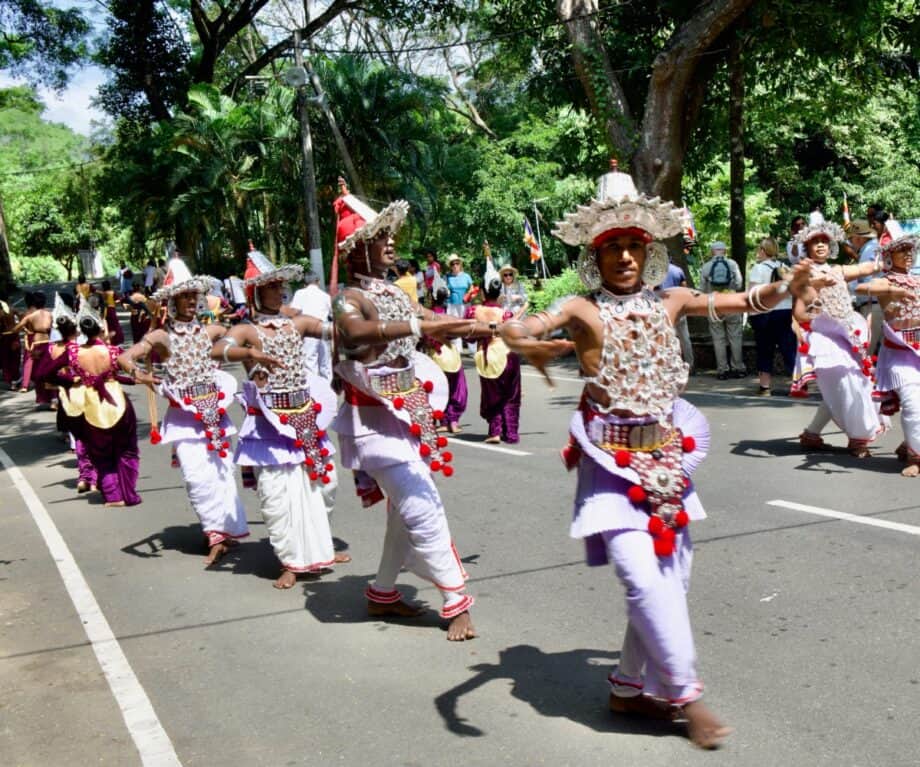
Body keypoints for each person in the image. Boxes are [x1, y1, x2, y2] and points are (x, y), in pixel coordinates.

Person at [498, 164, 812, 749]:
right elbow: (526, 324)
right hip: (610, 464)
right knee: (645, 580)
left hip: (667, 462)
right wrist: (521, 336)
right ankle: (686, 695)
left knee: (673, 577)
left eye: (633, 246)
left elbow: (742, 299)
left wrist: (783, 289)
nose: (624, 257)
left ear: (650, 250)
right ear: (596, 255)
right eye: (612, 246)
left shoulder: (671, 298)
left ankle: (625, 685)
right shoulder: (580, 307)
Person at [330, 188, 482, 640]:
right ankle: (455, 598)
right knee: (422, 504)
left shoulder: (393, 290)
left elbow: (433, 318)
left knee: (404, 510)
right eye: (381, 237)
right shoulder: (346, 299)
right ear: (357, 248)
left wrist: (488, 325)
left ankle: (381, 592)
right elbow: (357, 333)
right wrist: (421, 325)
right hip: (372, 424)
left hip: (406, 411)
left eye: (391, 236)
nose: (392, 244)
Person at [212, 246, 347, 589]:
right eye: (271, 286)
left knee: (324, 485)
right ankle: (290, 560)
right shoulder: (247, 330)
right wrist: (248, 353)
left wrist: (353, 327)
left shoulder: (297, 321)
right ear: (256, 293)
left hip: (305, 416)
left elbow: (335, 331)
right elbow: (218, 350)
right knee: (277, 497)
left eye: (280, 286)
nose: (279, 291)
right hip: (268, 426)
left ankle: (317, 547)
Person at [118, 259, 261, 564]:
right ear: (170, 301)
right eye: (183, 297)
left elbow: (244, 335)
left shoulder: (212, 330)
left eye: (193, 296)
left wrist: (255, 364)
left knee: (223, 476)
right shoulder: (161, 336)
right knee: (197, 478)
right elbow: (125, 358)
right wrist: (140, 375)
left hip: (215, 416)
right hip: (183, 420)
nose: (189, 302)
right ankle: (214, 532)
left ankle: (226, 532)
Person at [791, 216, 884, 456]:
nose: (821, 245)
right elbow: (800, 314)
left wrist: (886, 254)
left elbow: (867, 268)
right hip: (826, 339)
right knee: (847, 385)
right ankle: (858, 439)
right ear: (807, 247)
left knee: (851, 385)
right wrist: (817, 288)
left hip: (849, 335)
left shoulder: (838, 270)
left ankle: (812, 434)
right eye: (815, 242)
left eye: (824, 241)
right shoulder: (803, 275)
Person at [47, 300, 142, 506]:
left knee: (100, 452)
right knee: (126, 449)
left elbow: (43, 373)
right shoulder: (114, 351)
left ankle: (113, 495)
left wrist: (69, 382)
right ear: (100, 328)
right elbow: (125, 373)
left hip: (90, 406)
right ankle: (128, 493)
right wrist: (140, 378)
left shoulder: (72, 353)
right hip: (118, 403)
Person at [854, 222, 920, 474]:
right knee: (914, 404)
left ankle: (909, 445)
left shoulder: (917, 278)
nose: (908, 253)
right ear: (889, 255)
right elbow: (858, 287)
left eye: (910, 249)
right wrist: (892, 289)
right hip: (900, 354)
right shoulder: (885, 281)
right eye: (901, 249)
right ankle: (916, 459)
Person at [34, 294, 97, 494]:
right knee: (94, 436)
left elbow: (41, 374)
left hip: (66, 395)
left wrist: (62, 383)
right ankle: (93, 478)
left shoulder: (53, 347)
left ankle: (84, 476)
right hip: (87, 394)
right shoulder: (80, 346)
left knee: (78, 437)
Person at [469, 277, 521, 443]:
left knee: (492, 395)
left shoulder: (473, 311)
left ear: (483, 292)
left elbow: (468, 336)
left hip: (487, 356)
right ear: (500, 294)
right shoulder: (505, 314)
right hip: (507, 355)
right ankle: (511, 433)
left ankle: (495, 431)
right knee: (510, 396)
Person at [747, 237, 796, 395]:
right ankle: (798, 384)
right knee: (789, 349)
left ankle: (765, 387)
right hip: (786, 312)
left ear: (763, 250)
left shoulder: (758, 268)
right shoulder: (785, 267)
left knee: (765, 350)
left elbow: (753, 293)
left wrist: (750, 313)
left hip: (766, 313)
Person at [425, 283, 468, 434]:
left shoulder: (427, 316)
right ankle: (453, 421)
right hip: (450, 354)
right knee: (456, 388)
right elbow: (458, 332)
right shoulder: (448, 316)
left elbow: (423, 337)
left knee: (439, 390)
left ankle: (443, 421)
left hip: (434, 356)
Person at [699, 242, 744, 379]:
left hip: (714, 304)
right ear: (725, 251)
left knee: (718, 338)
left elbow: (701, 289)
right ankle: (738, 368)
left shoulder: (706, 266)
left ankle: (722, 370)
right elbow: (739, 284)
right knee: (735, 337)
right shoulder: (732, 264)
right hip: (731, 303)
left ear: (712, 252)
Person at [4, 291, 54, 405]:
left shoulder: (30, 316)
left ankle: (43, 398)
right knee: (49, 370)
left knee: (37, 373)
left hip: (36, 344)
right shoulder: (49, 314)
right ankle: (53, 399)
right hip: (48, 342)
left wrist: (10, 331)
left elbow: (16, 329)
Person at [655, 243, 694, 371]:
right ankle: (690, 364)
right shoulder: (678, 270)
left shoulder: (655, 273)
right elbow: (685, 289)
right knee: (684, 338)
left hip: (663, 311)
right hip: (680, 310)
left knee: (666, 339)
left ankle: (669, 365)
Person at [849, 219, 883, 355]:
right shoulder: (874, 247)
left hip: (872, 305)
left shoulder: (868, 251)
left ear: (858, 238)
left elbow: (867, 284)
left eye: (851, 238)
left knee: (865, 352)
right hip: (878, 304)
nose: (850, 242)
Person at [445, 254, 474, 352]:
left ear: (460, 264)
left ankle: (472, 348)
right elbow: (444, 288)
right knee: (454, 325)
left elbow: (472, 288)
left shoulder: (466, 276)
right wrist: (447, 291)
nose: (455, 265)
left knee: (467, 323)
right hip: (452, 303)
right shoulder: (447, 277)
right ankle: (457, 348)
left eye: (457, 263)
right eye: (453, 264)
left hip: (465, 303)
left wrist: (469, 294)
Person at [0, 295, 21, 388]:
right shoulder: (13, 309)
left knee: (5, 358)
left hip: (4, 335)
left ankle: (9, 380)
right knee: (15, 357)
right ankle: (15, 378)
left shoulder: (1, 312)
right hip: (13, 334)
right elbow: (22, 318)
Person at [100, 280, 125, 346]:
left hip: (105, 310)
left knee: (108, 325)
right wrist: (121, 299)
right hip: (112, 309)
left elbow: (101, 303)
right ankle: (117, 338)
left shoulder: (103, 293)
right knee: (115, 324)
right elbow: (117, 301)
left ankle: (109, 339)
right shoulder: (112, 292)